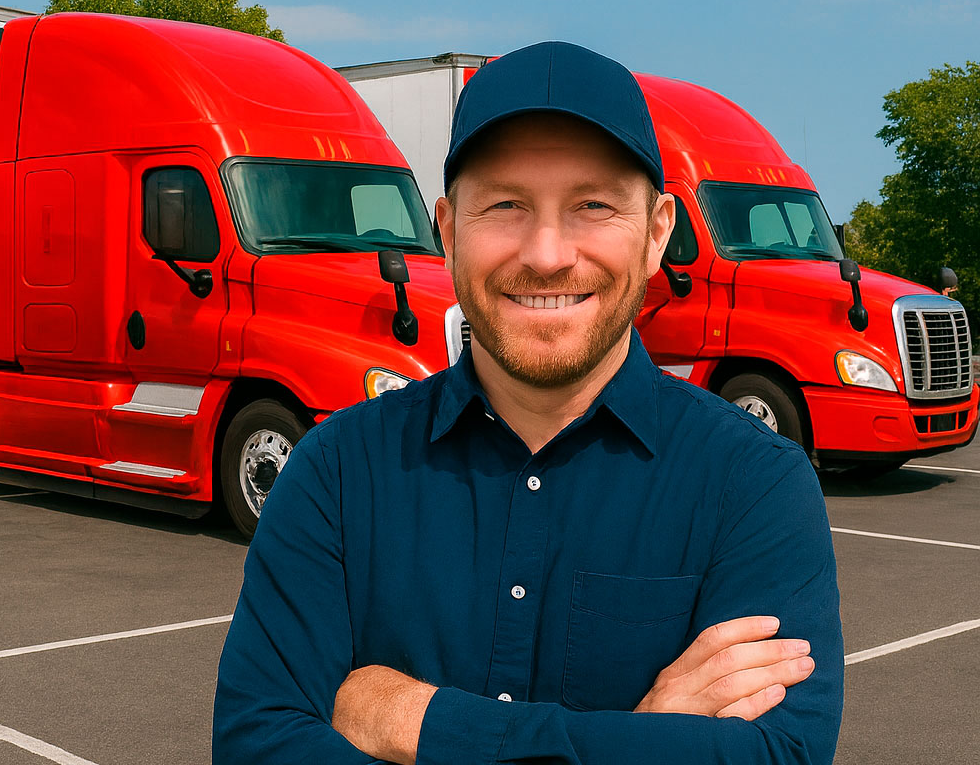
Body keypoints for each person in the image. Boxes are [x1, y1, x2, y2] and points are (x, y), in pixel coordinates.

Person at [212, 41, 843, 764]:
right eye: (506, 204)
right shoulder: (335, 472)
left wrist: (414, 720)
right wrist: (645, 734)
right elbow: (255, 746)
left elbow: (779, 755)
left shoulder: (755, 484)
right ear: (448, 232)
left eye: (593, 205)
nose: (546, 253)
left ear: (657, 234)